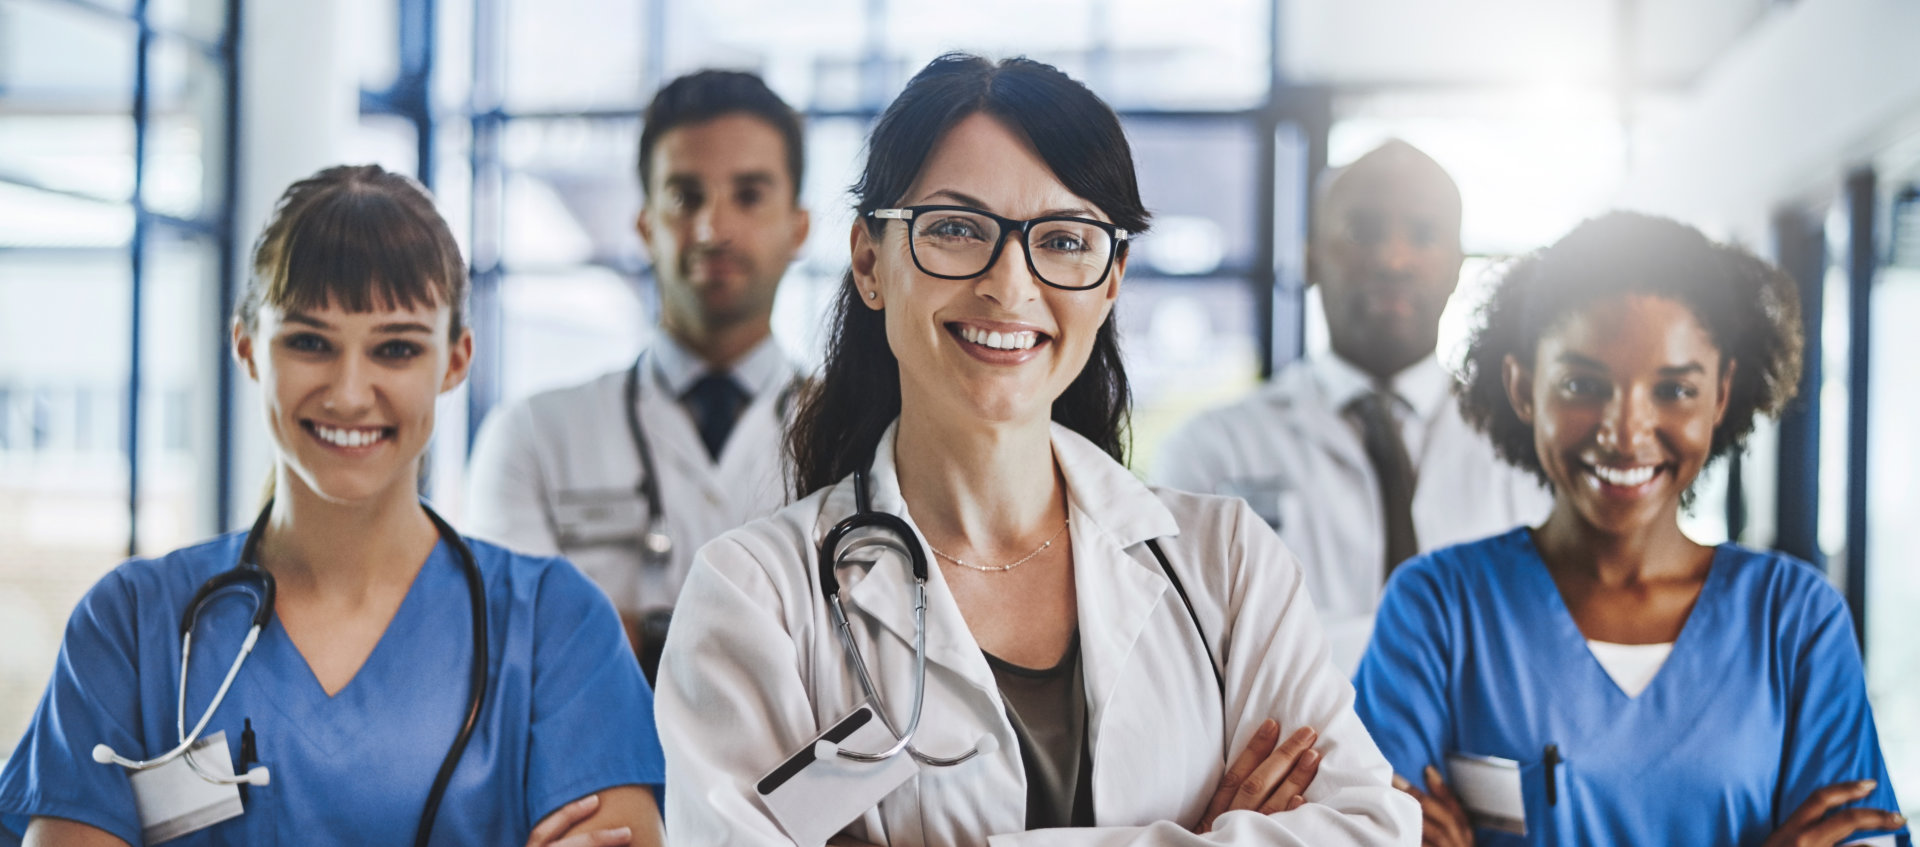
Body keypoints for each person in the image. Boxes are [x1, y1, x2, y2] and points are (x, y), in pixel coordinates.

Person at [655, 54, 1417, 846]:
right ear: (870, 260)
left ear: (1111, 280)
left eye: (1062, 239)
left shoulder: (1226, 564)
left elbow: (1369, 829)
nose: (1010, 284)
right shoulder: (757, 597)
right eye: (954, 229)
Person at [0, 165, 664, 846]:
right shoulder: (132, 627)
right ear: (248, 346)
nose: (349, 393)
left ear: (455, 360)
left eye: (397, 348)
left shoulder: (555, 626)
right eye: (310, 342)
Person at [1352, 212, 1909, 846]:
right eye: (1583, 385)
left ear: (1721, 395)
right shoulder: (1438, 608)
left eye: (1673, 390)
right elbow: (1368, 837)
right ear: (1523, 387)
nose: (1625, 432)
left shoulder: (1793, 621)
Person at [466, 69, 811, 681]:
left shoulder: (864, 437)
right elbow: (518, 652)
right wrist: (777, 644)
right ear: (645, 224)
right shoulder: (532, 437)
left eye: (749, 195)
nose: (713, 228)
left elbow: (881, 652)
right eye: (685, 196)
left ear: (799, 228)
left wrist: (631, 633)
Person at [1154, 140, 1550, 672]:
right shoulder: (1212, 450)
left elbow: (1542, 640)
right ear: (1310, 257)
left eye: (1424, 234)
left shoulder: (1525, 450)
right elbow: (1195, 652)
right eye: (1363, 232)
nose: (1393, 259)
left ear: (1458, 267)